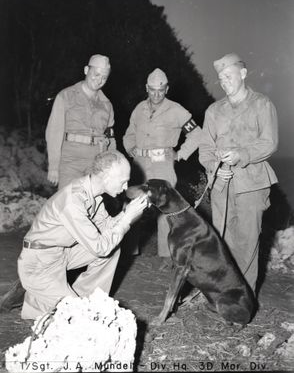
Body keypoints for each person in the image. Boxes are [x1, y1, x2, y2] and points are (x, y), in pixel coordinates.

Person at [17, 151, 148, 320]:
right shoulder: (73, 200)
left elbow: (106, 228)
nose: (125, 187)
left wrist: (126, 213)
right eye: (123, 181)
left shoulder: (92, 194)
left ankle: (86, 299)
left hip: (61, 254)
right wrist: (127, 219)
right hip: (39, 264)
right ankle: (56, 299)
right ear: (107, 176)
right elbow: (100, 247)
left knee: (112, 248)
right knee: (79, 317)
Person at [199, 53, 278, 293]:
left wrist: (241, 155)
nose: (224, 82)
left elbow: (269, 142)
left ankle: (244, 300)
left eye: (229, 76)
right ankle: (226, 295)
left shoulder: (262, 104)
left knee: (247, 244)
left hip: (252, 184)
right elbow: (205, 149)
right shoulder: (214, 110)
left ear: (243, 74)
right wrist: (215, 168)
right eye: (220, 78)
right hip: (222, 186)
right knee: (223, 242)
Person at [123, 68, 202, 265]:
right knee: (132, 206)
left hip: (163, 165)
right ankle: (127, 252)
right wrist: (130, 148)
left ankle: (167, 255)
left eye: (161, 90)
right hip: (139, 165)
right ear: (146, 88)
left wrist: (180, 154)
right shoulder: (139, 108)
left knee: (166, 209)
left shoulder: (177, 110)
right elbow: (129, 133)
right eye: (152, 90)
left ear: (167, 89)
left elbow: (198, 134)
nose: (156, 95)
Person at [46, 54, 116, 190]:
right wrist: (53, 166)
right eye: (96, 74)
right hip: (70, 161)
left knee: (92, 206)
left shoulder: (107, 104)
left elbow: (111, 138)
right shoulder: (66, 96)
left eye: (104, 77)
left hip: (96, 163)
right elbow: (54, 132)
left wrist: (112, 167)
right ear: (86, 70)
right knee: (69, 203)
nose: (99, 80)